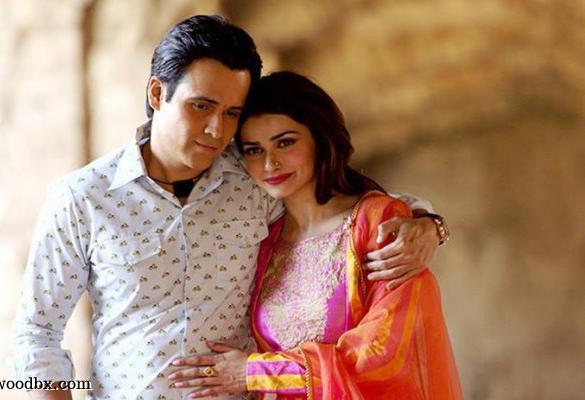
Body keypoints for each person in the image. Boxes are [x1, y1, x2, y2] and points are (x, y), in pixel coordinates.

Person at [12, 15, 445, 400]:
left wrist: (427, 224)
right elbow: (38, 331)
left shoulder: (254, 176)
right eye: (201, 107)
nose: (216, 130)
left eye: (232, 113)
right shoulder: (83, 197)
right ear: (158, 92)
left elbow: (344, 206)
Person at [168, 71, 462, 399]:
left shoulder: (377, 223)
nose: (270, 163)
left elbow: (384, 355)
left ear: (320, 138)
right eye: (253, 150)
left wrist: (253, 372)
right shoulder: (267, 238)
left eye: (285, 142)